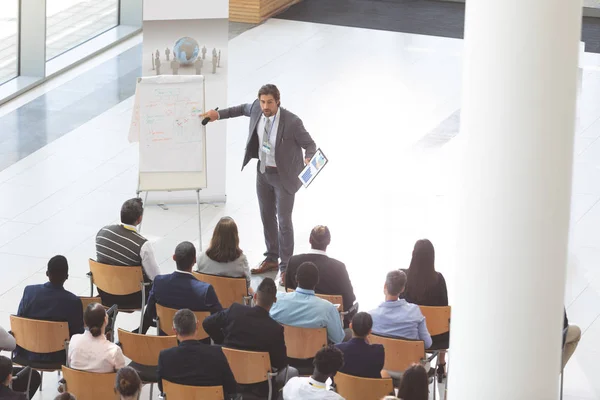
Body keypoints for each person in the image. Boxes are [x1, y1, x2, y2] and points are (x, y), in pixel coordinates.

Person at [202, 84, 317, 277]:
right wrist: (217, 115)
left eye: (270, 102)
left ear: (278, 101)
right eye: (263, 101)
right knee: (266, 217)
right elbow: (239, 109)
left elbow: (310, 145)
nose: (265, 106)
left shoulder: (292, 122)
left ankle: (286, 266)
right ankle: (272, 258)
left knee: (284, 221)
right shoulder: (256, 108)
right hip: (263, 173)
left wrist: (309, 157)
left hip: (284, 177)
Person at [203, 278, 298, 398]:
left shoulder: (235, 310)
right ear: (274, 300)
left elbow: (207, 323)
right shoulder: (275, 329)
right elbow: (280, 363)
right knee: (292, 372)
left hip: (228, 376)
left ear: (255, 296)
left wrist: (220, 341)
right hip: (260, 386)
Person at [140, 241, 222, 335]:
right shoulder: (205, 290)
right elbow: (219, 319)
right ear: (194, 260)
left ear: (174, 257)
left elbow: (150, 313)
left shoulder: (159, 282)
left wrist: (140, 333)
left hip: (166, 338)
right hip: (199, 342)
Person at [16, 255, 84, 363]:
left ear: (47, 273)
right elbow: (78, 334)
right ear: (67, 276)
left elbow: (19, 321)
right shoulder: (73, 301)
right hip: (58, 357)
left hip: (27, 353)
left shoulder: (29, 292)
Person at [95, 197, 160, 309]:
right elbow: (156, 278)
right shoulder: (143, 245)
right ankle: (147, 323)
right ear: (139, 219)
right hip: (132, 298)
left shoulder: (103, 232)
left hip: (104, 293)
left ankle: (108, 320)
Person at [157, 309, 238, 397]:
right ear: (197, 326)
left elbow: (162, 388)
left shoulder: (165, 357)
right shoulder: (216, 353)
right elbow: (231, 387)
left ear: (174, 330)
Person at [402, 239, 448, 379]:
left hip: (409, 333)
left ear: (413, 254)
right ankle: (441, 364)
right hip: (435, 337)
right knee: (445, 323)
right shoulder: (439, 279)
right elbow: (444, 309)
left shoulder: (403, 277)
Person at [270, 262, 345, 344]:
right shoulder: (328, 309)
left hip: (283, 353)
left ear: (296, 278)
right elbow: (338, 339)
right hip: (315, 355)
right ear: (317, 281)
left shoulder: (276, 299)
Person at [285, 226, 356, 313]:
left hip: (297, 314)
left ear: (310, 239)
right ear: (329, 241)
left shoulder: (293, 261)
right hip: (326, 320)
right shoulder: (339, 267)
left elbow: (288, 291)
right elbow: (349, 299)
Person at [370, 270, 432, 349]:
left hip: (381, 360)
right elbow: (427, 344)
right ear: (403, 289)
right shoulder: (414, 311)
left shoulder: (371, 316)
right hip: (410, 360)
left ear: (385, 285)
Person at [196, 217, 253, 293]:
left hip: (208, 301)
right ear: (235, 237)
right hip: (233, 302)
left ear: (215, 235)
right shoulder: (241, 261)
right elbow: (247, 285)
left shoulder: (201, 258)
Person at [68, 303, 126, 373]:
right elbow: (122, 378)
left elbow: (70, 364)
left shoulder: (74, 340)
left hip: (76, 383)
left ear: (85, 322)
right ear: (105, 320)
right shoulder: (115, 351)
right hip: (105, 384)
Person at [335, 312, 384, 379]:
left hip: (344, 388)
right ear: (370, 331)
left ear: (350, 326)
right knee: (384, 373)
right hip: (370, 388)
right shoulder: (378, 351)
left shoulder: (337, 349)